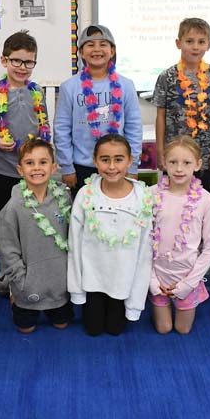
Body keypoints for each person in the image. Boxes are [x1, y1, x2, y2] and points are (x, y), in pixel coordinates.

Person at [68, 134, 154, 336]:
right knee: (94, 329)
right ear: (95, 161)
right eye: (105, 159)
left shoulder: (142, 197)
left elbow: (144, 252)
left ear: (130, 161)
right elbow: (74, 243)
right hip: (93, 279)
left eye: (119, 159)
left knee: (115, 329)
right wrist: (77, 290)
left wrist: (135, 302)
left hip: (124, 279)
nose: (112, 166)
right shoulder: (85, 194)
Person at [55, 24, 142, 197]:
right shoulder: (69, 87)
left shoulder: (126, 85)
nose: (97, 49)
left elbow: (134, 127)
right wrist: (67, 167)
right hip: (81, 167)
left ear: (112, 50)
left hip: (117, 165)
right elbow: (61, 129)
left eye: (103, 44)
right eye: (90, 44)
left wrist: (132, 165)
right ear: (81, 52)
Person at [0, 139, 73, 333]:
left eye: (43, 162)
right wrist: (21, 282)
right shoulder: (13, 207)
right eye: (29, 163)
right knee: (26, 330)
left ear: (53, 167)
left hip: (59, 284)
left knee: (62, 325)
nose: (36, 168)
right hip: (28, 286)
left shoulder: (64, 198)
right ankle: (12, 293)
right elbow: (7, 250)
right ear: (20, 170)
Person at [149, 136, 210, 335]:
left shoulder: (206, 200)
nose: (179, 169)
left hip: (188, 275)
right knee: (163, 329)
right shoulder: (152, 194)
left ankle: (184, 297)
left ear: (197, 165)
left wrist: (188, 284)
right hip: (158, 274)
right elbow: (144, 241)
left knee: (183, 329)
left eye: (186, 163)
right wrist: (152, 280)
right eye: (173, 162)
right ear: (163, 163)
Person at [0, 31, 51, 212]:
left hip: (34, 170)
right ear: (4, 60)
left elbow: (44, 122)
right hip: (5, 170)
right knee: (7, 216)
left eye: (29, 62)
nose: (22, 67)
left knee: (34, 216)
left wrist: (44, 140)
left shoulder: (37, 91)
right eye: (16, 61)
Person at [153, 17, 210, 192]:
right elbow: (161, 115)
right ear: (178, 43)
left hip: (206, 152)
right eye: (189, 41)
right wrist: (160, 151)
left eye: (201, 42)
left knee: (202, 197)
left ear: (209, 45)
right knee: (172, 197)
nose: (195, 47)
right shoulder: (167, 76)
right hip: (174, 153)